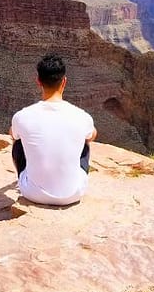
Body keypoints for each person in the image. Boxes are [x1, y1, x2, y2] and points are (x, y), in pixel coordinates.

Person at [9, 54, 97, 206]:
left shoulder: (22, 116)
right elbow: (92, 135)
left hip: (32, 194)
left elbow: (12, 134)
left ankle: (30, 178)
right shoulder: (81, 116)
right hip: (74, 194)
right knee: (85, 143)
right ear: (64, 82)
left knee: (18, 144)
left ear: (38, 81)